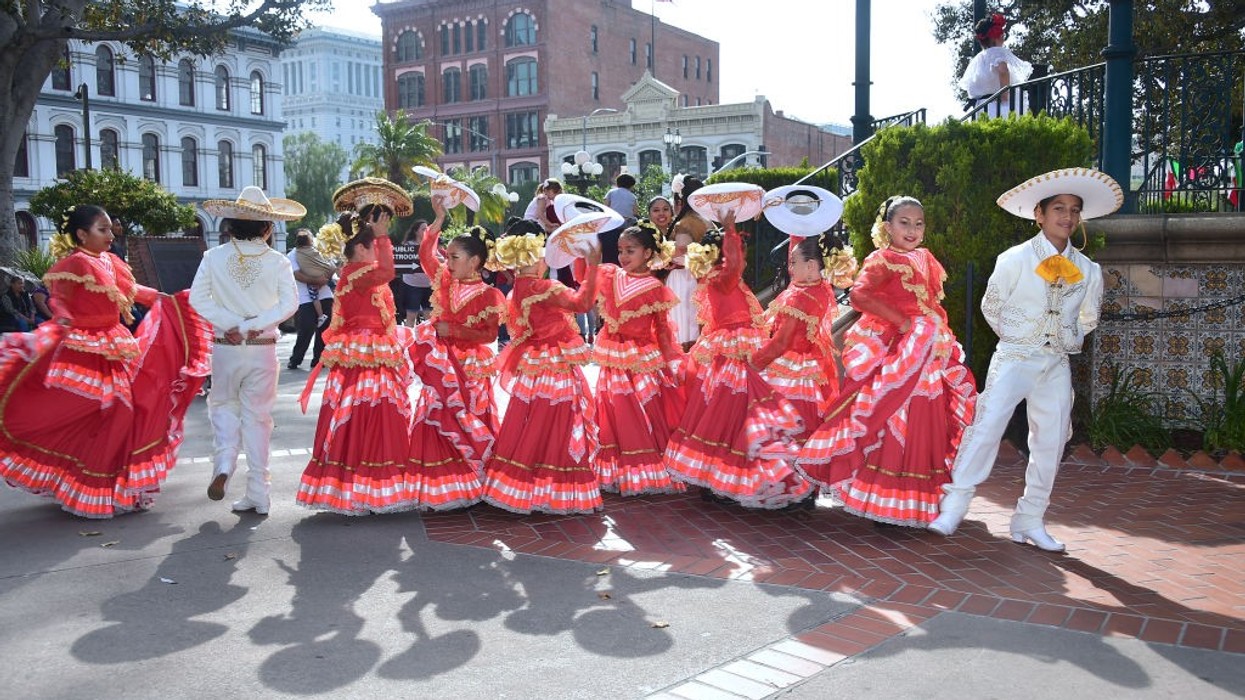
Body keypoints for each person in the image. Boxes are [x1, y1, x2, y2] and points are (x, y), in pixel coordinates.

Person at [929, 169, 1119, 551]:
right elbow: (992, 305)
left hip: (1056, 363)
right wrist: (1018, 337)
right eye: (1059, 208)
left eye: (1074, 210)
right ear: (1040, 215)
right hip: (1015, 356)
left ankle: (1030, 518)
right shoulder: (1014, 258)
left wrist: (1067, 336)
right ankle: (955, 503)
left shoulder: (1088, 270)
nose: (1067, 217)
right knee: (987, 424)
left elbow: (1089, 316)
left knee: (1050, 439)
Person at [0, 205, 211, 517]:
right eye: (103, 229)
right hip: (85, 348)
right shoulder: (74, 263)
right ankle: (97, 486)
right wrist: (61, 321)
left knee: (115, 416)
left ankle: (101, 484)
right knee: (116, 412)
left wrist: (165, 299)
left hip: (114, 344)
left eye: (111, 228)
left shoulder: (110, 261)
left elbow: (133, 291)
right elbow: (57, 299)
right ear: (82, 234)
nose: (111, 235)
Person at [796, 197, 978, 527]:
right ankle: (884, 497)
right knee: (892, 410)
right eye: (904, 223)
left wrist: (940, 333)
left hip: (928, 345)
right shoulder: (881, 259)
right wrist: (903, 322)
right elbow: (859, 296)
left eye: (918, 223)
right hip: (895, 344)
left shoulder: (926, 258)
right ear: (887, 227)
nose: (912, 229)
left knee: (928, 410)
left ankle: (918, 497)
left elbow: (929, 303)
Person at [662, 211, 811, 509]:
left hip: (739, 348)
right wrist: (731, 230)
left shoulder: (721, 280)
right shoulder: (721, 279)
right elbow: (735, 265)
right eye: (732, 251)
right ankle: (723, 478)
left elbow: (735, 266)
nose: (740, 257)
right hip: (734, 353)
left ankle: (724, 478)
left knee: (739, 417)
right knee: (734, 415)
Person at [296, 179, 419, 514]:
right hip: (366, 356)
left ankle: (360, 488)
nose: (379, 250)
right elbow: (388, 270)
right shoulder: (358, 273)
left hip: (367, 352)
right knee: (373, 416)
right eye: (375, 246)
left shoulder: (356, 273)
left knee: (365, 417)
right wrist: (381, 234)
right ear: (363, 248)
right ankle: (368, 488)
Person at [191, 187, 302, 515]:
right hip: (262, 347)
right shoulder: (278, 261)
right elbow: (290, 303)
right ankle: (259, 492)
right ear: (267, 228)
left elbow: (198, 300)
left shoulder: (213, 257)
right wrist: (258, 322)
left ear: (229, 225)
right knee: (258, 418)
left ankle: (224, 462)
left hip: (226, 346)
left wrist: (233, 323)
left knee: (223, 405)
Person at [482, 224, 603, 515]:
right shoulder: (544, 288)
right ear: (535, 259)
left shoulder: (516, 291)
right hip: (554, 366)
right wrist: (593, 265)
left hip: (533, 366)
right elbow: (584, 302)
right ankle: (552, 490)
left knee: (528, 421)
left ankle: (518, 487)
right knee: (558, 424)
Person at [403, 198, 506, 510]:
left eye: (455, 257)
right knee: (434, 415)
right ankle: (442, 486)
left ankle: (473, 481)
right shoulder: (444, 280)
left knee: (470, 417)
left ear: (475, 261)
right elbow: (425, 255)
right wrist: (438, 220)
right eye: (446, 256)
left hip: (471, 367)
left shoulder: (490, 295)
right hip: (441, 363)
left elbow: (489, 334)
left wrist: (456, 332)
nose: (447, 262)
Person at [585, 219, 686, 496]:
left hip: (641, 359)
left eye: (631, 250)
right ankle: (615, 469)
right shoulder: (610, 275)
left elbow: (663, 331)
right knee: (612, 409)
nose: (623, 256)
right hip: (613, 356)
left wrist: (673, 361)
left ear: (648, 254)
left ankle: (643, 471)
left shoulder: (655, 288)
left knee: (640, 411)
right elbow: (587, 292)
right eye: (620, 250)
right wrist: (592, 262)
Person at [752, 234, 857, 441]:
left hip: (790, 365)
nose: (790, 268)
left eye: (793, 262)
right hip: (810, 363)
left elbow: (781, 342)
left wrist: (753, 364)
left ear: (810, 266)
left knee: (777, 427)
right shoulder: (820, 287)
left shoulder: (798, 297)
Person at [666, 178, 712, 351]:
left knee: (684, 324)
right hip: (701, 276)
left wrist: (664, 257)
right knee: (695, 322)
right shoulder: (708, 221)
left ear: (680, 200)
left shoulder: (684, 223)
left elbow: (681, 250)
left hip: (683, 278)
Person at [959, 12, 1032, 118]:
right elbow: (1003, 70)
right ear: (996, 36)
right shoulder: (997, 52)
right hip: (998, 106)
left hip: (981, 107)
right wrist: (1004, 95)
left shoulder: (979, 58)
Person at [287, 229, 336, 370]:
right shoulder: (293, 255)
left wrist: (323, 281)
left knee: (325, 327)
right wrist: (315, 280)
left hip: (325, 294)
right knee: (306, 327)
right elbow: (297, 274)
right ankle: (296, 359)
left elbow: (330, 267)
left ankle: (319, 359)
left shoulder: (319, 252)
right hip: (305, 297)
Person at [397, 219, 435, 327]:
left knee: (430, 317)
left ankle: (429, 341)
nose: (426, 231)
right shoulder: (407, 245)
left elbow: (439, 258)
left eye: (427, 229)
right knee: (411, 316)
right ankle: (409, 342)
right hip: (412, 286)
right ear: (416, 231)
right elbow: (403, 262)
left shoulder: (430, 244)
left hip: (428, 285)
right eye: (423, 229)